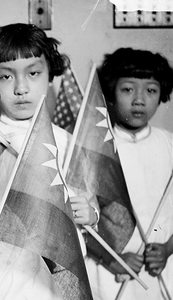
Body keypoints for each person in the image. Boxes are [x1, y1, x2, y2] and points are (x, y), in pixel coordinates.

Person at [0, 23, 99, 299]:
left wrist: (90, 213)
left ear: (49, 76)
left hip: (60, 271)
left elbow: (90, 201)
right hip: (3, 270)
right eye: (6, 77)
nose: (21, 88)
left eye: (33, 73)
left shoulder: (68, 141)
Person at [86, 47, 173, 300]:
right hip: (109, 272)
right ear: (111, 94)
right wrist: (109, 258)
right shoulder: (95, 145)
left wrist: (167, 249)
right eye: (127, 89)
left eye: (151, 90)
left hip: (162, 270)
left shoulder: (169, 144)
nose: (139, 100)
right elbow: (75, 218)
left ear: (162, 94)